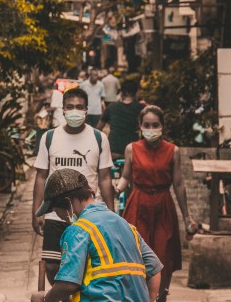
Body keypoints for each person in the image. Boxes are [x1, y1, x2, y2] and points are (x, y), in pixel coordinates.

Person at [31, 169, 162, 302]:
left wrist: (45, 298)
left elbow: (68, 284)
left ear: (68, 202)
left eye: (55, 210)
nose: (58, 216)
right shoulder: (127, 226)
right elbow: (154, 270)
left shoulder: (78, 230)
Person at [33, 87, 114, 285]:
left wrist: (111, 212)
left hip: (89, 214)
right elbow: (41, 176)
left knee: (89, 266)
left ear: (87, 110)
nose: (74, 111)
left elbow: (104, 177)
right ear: (63, 109)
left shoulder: (99, 138)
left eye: (79, 107)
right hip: (55, 212)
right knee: (52, 266)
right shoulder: (49, 137)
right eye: (70, 107)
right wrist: (36, 212)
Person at [116, 105, 196, 302]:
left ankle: (161, 297)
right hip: (138, 204)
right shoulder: (131, 149)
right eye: (147, 125)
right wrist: (115, 189)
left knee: (163, 256)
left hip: (163, 206)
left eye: (155, 125)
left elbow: (178, 184)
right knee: (135, 257)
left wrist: (187, 217)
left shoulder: (173, 151)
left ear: (162, 127)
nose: (151, 129)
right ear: (140, 126)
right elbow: (126, 177)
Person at [97, 79, 145, 160]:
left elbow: (98, 129)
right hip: (133, 152)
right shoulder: (142, 109)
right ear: (137, 93)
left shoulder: (111, 107)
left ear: (121, 93)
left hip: (113, 151)